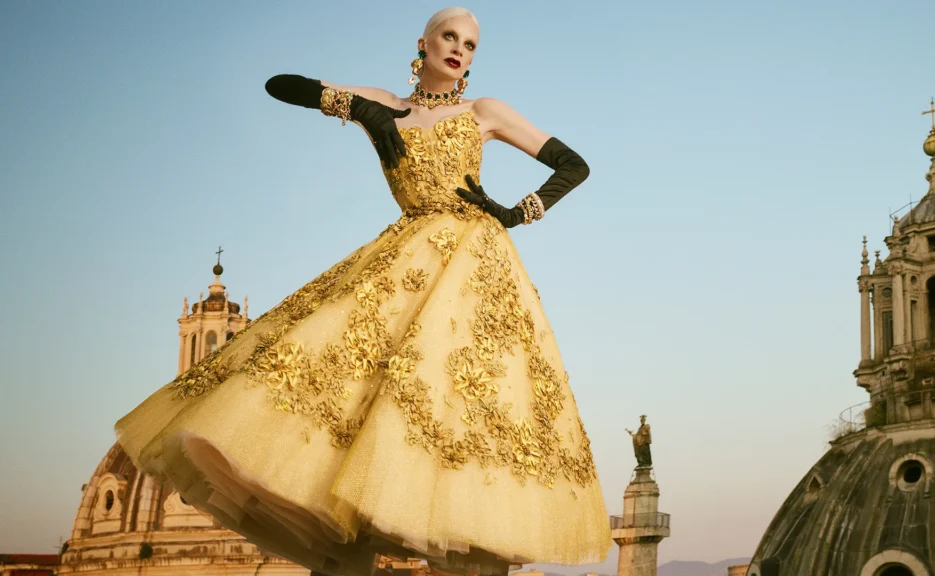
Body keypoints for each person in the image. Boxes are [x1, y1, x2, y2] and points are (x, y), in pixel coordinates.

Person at [114, 6, 610, 576]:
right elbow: (281, 85)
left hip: (474, 264)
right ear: (423, 44)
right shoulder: (384, 104)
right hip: (405, 255)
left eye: (470, 44)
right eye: (449, 37)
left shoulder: (484, 111)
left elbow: (573, 165)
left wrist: (515, 213)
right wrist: (365, 111)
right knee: (351, 395)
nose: (459, 49)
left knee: (462, 399)